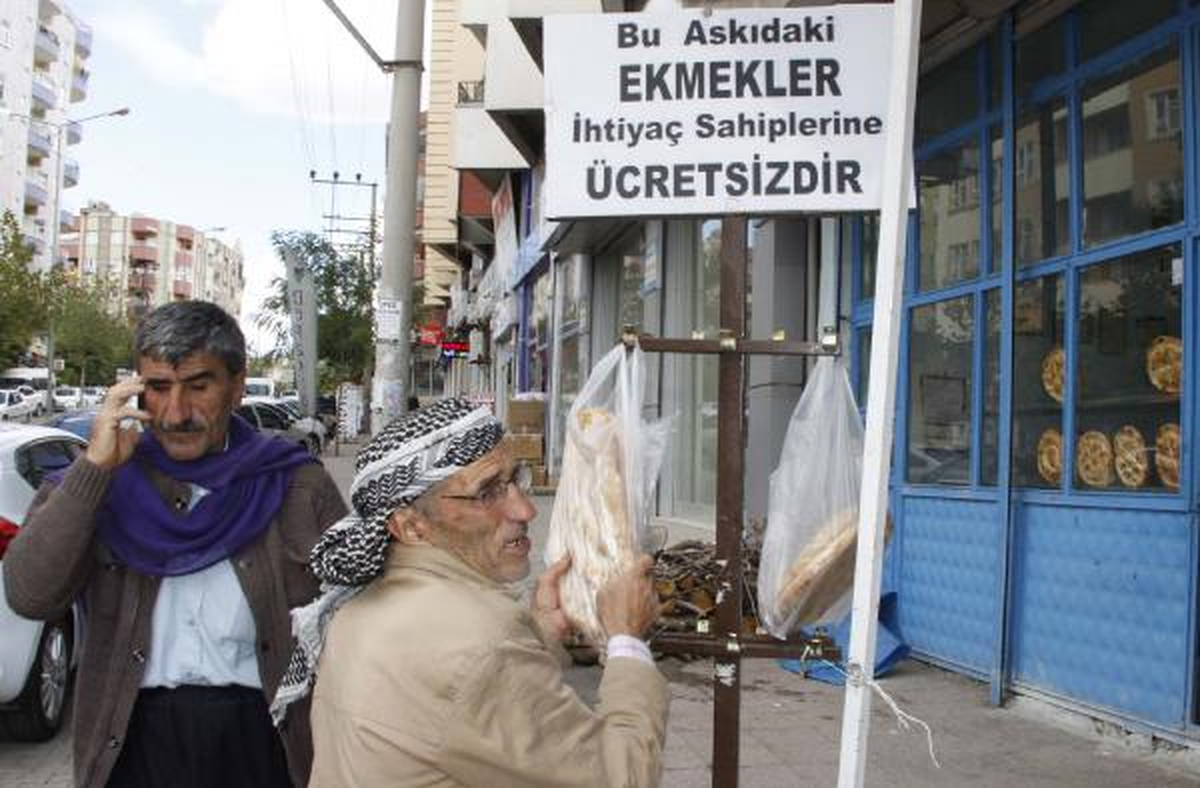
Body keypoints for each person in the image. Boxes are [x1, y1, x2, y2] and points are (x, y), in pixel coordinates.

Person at [3, 301, 348, 788]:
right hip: (132, 738)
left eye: (198, 386)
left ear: (236, 385)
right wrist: (93, 472)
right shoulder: (102, 481)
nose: (176, 413)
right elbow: (30, 594)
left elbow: (352, 618)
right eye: (158, 388)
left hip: (263, 737)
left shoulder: (296, 485)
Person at [273, 398, 669, 787]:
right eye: (487, 492)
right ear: (410, 527)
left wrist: (541, 628)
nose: (525, 510)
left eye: (514, 480)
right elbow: (624, 774)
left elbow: (456, 706)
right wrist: (627, 640)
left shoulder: (358, 605)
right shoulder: (481, 643)